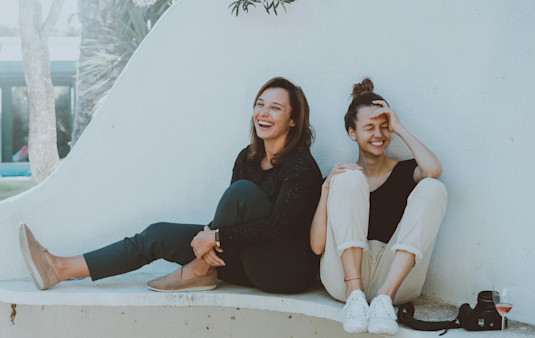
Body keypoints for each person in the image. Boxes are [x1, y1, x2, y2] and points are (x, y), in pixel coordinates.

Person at [19, 77, 322, 294]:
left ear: (293, 120)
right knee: (156, 234)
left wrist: (215, 235)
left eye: (276, 108)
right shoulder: (249, 157)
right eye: (260, 104)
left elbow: (280, 227)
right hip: (246, 259)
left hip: (285, 273)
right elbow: (233, 219)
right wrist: (212, 238)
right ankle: (59, 268)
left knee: (240, 193)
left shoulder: (300, 165)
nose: (263, 113)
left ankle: (200, 270)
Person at [310, 78, 447, 335]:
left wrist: (400, 128)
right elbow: (317, 246)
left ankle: (383, 298)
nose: (378, 135)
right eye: (369, 127)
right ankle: (355, 293)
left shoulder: (405, 171)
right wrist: (326, 188)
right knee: (348, 177)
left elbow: (434, 169)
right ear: (352, 133)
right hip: (343, 280)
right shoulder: (341, 179)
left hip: (395, 280)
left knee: (433, 186)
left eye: (384, 127)